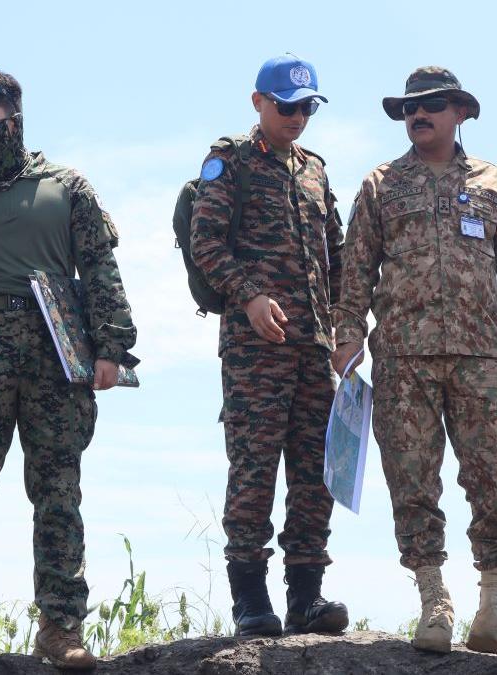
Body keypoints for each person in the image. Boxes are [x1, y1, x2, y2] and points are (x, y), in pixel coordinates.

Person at [0, 69, 137, 670]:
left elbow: (100, 269)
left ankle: (61, 627)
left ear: (14, 120)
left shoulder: (67, 187)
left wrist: (111, 346)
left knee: (58, 489)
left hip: (58, 350)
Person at [331, 66, 497, 657]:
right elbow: (356, 270)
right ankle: (434, 603)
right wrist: (347, 334)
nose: (418, 115)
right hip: (403, 358)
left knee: (495, 479)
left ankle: (494, 609)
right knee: (412, 482)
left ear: (460, 112)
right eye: (410, 108)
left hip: (482, 356)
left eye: (431, 105)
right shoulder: (381, 184)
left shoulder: (492, 181)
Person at [189, 53, 348, 638]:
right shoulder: (229, 161)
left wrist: (345, 327)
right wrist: (250, 295)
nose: (297, 118)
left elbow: (337, 253)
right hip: (255, 347)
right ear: (258, 102)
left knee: (316, 474)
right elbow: (206, 243)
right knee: (254, 469)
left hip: (314, 347)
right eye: (286, 107)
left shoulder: (315, 170)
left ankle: (307, 597)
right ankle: (251, 602)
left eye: (307, 107)